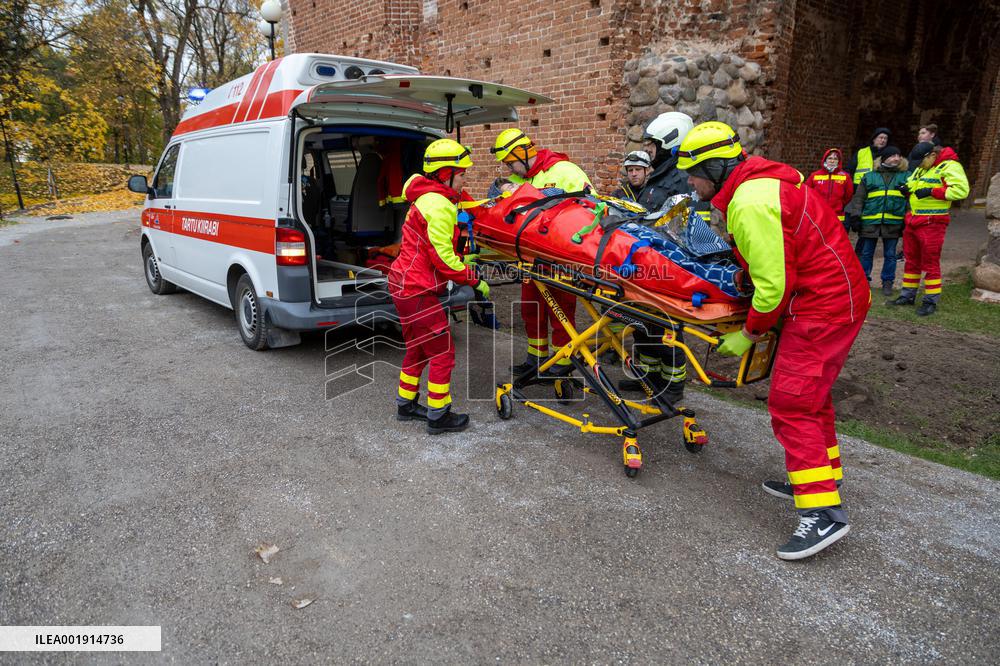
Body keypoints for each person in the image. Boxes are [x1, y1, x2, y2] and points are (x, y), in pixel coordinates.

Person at [677, 121, 870, 561]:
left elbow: (774, 288)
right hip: (840, 294)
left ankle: (822, 513)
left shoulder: (749, 202)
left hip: (822, 307)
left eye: (692, 172)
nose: (688, 181)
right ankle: (822, 476)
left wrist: (749, 334)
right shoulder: (767, 181)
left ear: (715, 165)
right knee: (813, 397)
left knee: (792, 402)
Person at [387, 138, 490, 434]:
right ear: (446, 173)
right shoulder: (439, 205)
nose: (464, 179)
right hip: (417, 289)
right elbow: (444, 260)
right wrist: (475, 278)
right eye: (462, 174)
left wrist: (461, 257)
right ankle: (438, 415)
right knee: (443, 353)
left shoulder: (427, 196)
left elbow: (435, 247)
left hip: (404, 284)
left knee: (418, 348)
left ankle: (406, 405)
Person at [491, 128, 591, 376]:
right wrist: (502, 186)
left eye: (511, 164)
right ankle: (536, 360)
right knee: (531, 309)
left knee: (561, 310)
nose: (510, 170)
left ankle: (563, 361)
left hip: (560, 256)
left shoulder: (565, 171)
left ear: (522, 153)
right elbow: (495, 195)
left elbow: (590, 205)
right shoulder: (521, 179)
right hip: (530, 258)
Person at [888, 141, 969, 316]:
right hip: (913, 220)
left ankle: (930, 301)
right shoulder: (923, 167)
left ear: (931, 155)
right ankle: (907, 295)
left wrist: (933, 192)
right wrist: (905, 189)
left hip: (933, 222)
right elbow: (914, 184)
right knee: (911, 260)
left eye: (920, 161)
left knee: (930, 263)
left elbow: (961, 191)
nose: (917, 166)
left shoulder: (950, 166)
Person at [844, 145, 910, 296]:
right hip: (870, 221)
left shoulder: (906, 176)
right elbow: (859, 198)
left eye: (898, 155)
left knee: (890, 254)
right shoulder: (869, 176)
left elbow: (910, 201)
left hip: (893, 222)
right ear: (884, 158)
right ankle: (863, 281)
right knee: (866, 253)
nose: (897, 158)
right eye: (893, 155)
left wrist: (907, 219)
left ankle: (887, 282)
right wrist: (856, 216)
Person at [641, 112, 711, 221]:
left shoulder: (686, 179)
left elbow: (696, 229)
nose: (647, 149)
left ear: (668, 143)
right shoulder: (662, 173)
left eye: (652, 143)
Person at [805, 148, 853, 229]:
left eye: (835, 159)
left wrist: (839, 204)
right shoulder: (814, 175)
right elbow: (807, 193)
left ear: (839, 161)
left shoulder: (845, 177)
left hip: (837, 215)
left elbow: (848, 196)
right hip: (818, 214)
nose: (832, 161)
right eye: (830, 158)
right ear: (825, 160)